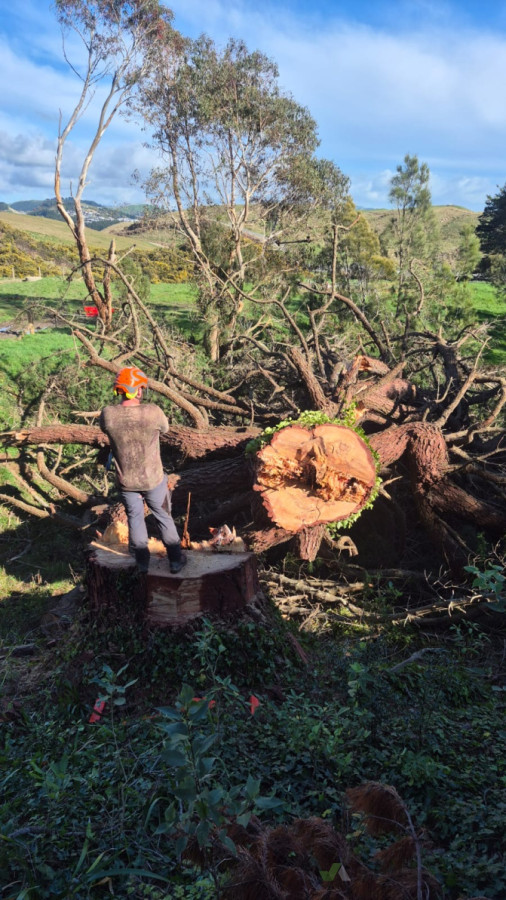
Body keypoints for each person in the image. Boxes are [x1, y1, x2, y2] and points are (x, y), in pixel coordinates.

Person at [99, 366, 187, 575]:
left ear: (120, 390)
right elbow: (165, 429)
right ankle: (175, 560)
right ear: (138, 390)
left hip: (126, 480)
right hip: (153, 479)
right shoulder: (152, 412)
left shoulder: (108, 415)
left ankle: (142, 563)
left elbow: (105, 430)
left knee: (135, 517)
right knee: (163, 516)